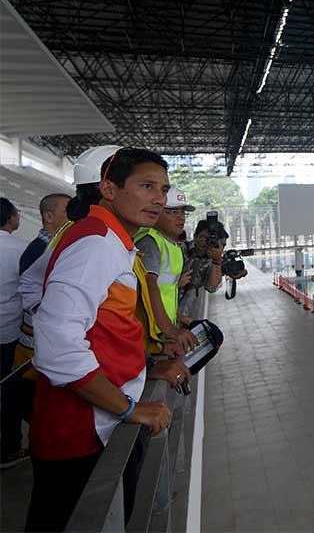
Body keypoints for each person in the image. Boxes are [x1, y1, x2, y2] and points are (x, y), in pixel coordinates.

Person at [26, 148, 173, 532]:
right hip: (83, 432)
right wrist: (128, 408)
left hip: (99, 423)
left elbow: (106, 329)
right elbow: (57, 346)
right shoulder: (95, 242)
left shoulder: (111, 240)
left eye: (163, 188)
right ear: (108, 188)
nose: (159, 198)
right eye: (146, 186)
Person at [11, 194, 71, 440]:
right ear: (48, 216)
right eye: (68, 211)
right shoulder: (41, 250)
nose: (74, 217)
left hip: (40, 356)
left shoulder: (53, 245)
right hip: (32, 358)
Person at [134, 187, 198, 353]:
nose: (181, 217)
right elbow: (150, 286)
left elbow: (167, 290)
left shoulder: (171, 245)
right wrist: (171, 330)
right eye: (172, 211)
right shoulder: (150, 243)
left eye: (183, 212)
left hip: (160, 330)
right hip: (150, 334)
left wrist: (179, 317)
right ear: (155, 213)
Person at [0, 198, 29, 469]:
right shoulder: (21, 249)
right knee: (8, 391)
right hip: (7, 332)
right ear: (10, 219)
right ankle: (9, 448)